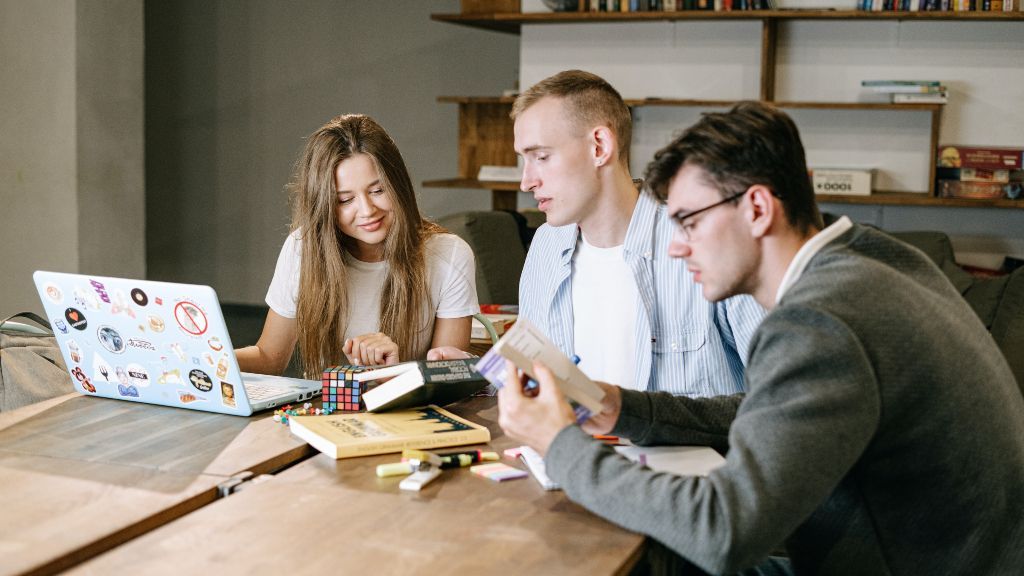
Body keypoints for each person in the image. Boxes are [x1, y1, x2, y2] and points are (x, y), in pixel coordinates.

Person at [497, 102, 1024, 574]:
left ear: (756, 208)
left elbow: (722, 532)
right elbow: (771, 410)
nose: (676, 249)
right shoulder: (873, 258)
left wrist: (561, 447)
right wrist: (627, 408)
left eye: (688, 222)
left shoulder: (821, 321)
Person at [511, 70, 763, 395]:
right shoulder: (546, 243)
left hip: (694, 447)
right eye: (523, 161)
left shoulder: (709, 242)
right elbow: (530, 379)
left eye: (541, 157)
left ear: (599, 147)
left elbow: (780, 398)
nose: (526, 181)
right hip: (570, 444)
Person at [236, 114, 478, 377]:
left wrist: (393, 373)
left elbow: (447, 378)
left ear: (399, 184)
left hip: (407, 416)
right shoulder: (302, 248)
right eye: (344, 199)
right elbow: (269, 359)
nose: (367, 210)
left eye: (378, 191)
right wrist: (209, 359)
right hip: (323, 413)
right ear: (324, 206)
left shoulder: (450, 254)